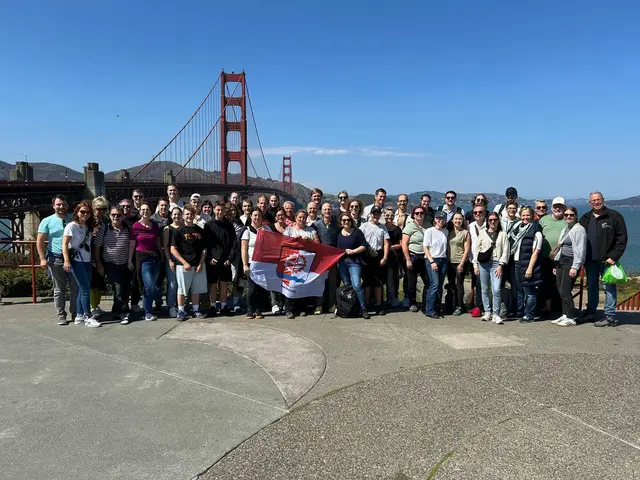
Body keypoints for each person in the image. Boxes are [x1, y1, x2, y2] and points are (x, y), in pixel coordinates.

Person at [579, 191, 628, 327]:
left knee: (609, 287)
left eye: (598, 199)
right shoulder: (585, 217)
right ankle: (591, 312)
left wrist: (614, 256)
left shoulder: (614, 216)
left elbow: (622, 238)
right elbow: (579, 238)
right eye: (593, 200)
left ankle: (610, 316)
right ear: (590, 203)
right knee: (592, 287)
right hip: (590, 260)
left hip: (607, 260)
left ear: (603, 200)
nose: (596, 202)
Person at [37, 194, 78, 325]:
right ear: (53, 206)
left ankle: (76, 313)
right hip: (56, 258)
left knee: (75, 287)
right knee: (59, 289)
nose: (61, 206)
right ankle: (61, 315)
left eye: (63, 204)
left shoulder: (73, 218)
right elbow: (40, 241)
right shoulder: (47, 221)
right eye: (58, 204)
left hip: (74, 257)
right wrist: (42, 258)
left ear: (67, 205)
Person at [62, 201, 101, 327]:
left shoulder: (87, 227)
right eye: (82, 212)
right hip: (76, 261)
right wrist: (66, 260)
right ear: (77, 212)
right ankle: (88, 316)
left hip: (87, 261)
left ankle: (79, 315)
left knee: (82, 289)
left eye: (88, 212)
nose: (85, 214)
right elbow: (64, 244)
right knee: (85, 288)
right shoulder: (71, 226)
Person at [94, 206, 132, 324]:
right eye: (113, 215)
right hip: (110, 264)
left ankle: (116, 311)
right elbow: (97, 247)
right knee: (118, 288)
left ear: (123, 216)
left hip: (125, 264)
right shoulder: (104, 229)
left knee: (125, 288)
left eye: (118, 215)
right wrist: (99, 264)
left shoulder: (128, 228)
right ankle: (123, 313)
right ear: (109, 216)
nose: (116, 217)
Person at [171, 205, 208, 321]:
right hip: (183, 266)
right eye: (187, 214)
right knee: (182, 289)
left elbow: (204, 249)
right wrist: (183, 262)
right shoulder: (179, 231)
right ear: (183, 215)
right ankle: (181, 311)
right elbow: (172, 249)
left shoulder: (200, 230)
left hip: (198, 265)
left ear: (194, 215)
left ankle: (196, 310)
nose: (189, 216)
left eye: (191, 214)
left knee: (196, 289)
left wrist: (201, 263)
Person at [552, 206, 587, 327]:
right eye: (566, 215)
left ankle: (571, 317)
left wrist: (575, 266)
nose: (568, 217)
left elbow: (581, 250)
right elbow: (560, 247)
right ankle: (565, 314)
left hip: (571, 262)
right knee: (560, 290)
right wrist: (556, 264)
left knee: (565, 290)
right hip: (562, 261)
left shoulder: (579, 230)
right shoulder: (565, 228)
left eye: (571, 215)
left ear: (575, 216)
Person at [128, 201, 163, 322]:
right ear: (139, 211)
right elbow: (132, 244)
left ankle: (157, 304)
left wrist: (162, 256)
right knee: (149, 286)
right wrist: (129, 261)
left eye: (147, 209)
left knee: (155, 286)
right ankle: (147, 312)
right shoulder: (135, 226)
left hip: (155, 258)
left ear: (151, 211)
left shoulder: (155, 225)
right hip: (143, 259)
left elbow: (158, 242)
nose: (145, 211)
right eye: (143, 209)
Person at [473, 212, 509, 324]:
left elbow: (506, 251)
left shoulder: (503, 234)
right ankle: (487, 312)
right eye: (490, 220)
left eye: (495, 220)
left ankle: (496, 313)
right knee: (484, 289)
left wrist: (501, 265)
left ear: (498, 221)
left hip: (496, 264)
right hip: (483, 264)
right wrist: (475, 265)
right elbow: (476, 250)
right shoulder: (483, 233)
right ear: (487, 221)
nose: (493, 222)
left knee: (496, 289)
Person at [508, 207, 543, 323]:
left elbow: (536, 252)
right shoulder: (517, 228)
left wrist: (530, 268)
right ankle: (521, 312)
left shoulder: (536, 231)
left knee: (530, 291)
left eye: (528, 215)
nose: (525, 218)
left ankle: (530, 314)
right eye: (523, 215)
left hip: (528, 265)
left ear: (532, 216)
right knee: (519, 290)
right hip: (517, 263)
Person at [283, 210, 319, 318]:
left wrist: (310, 241)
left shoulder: (311, 231)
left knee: (303, 285)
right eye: (300, 217)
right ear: (296, 218)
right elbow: (284, 243)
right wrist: (294, 240)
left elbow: (318, 244)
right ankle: (289, 310)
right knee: (290, 285)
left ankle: (302, 309)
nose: (302, 219)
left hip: (306, 263)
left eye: (304, 218)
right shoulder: (289, 230)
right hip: (291, 263)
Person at [204, 202, 236, 316]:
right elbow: (205, 243)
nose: (220, 212)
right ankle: (213, 306)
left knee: (224, 283)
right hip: (213, 260)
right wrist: (209, 258)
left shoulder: (229, 225)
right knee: (212, 284)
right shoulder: (208, 225)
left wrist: (230, 258)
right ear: (214, 210)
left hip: (225, 260)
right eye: (217, 210)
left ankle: (223, 306)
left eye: (222, 210)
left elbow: (234, 243)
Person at [336, 213, 369, 319]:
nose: (346, 222)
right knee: (347, 286)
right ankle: (352, 308)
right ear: (341, 222)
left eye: (348, 220)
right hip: (342, 263)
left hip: (354, 262)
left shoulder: (357, 232)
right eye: (344, 220)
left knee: (356, 285)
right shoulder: (338, 234)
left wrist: (354, 251)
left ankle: (363, 308)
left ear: (351, 221)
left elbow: (364, 245)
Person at [538, 197, 566, 317]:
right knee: (546, 284)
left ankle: (562, 310)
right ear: (551, 208)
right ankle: (548, 310)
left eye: (560, 206)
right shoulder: (544, 220)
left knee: (561, 284)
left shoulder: (568, 219)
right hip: (545, 257)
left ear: (564, 208)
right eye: (555, 206)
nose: (557, 208)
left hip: (563, 258)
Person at [241, 209, 272, 319]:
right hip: (252, 263)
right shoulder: (247, 230)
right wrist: (245, 264)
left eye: (259, 215)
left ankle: (258, 309)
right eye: (254, 215)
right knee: (252, 288)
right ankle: (249, 310)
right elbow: (244, 248)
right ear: (251, 217)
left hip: (263, 263)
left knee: (262, 288)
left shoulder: (267, 229)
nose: (257, 217)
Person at [359, 206, 390, 315]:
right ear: (370, 214)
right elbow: (359, 240)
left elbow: (386, 243)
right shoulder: (364, 226)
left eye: (378, 214)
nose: (376, 216)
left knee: (378, 282)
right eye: (374, 213)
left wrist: (385, 257)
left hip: (379, 254)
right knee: (366, 282)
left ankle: (379, 304)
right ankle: (367, 304)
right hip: (366, 255)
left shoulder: (383, 228)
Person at [312, 203, 340, 314]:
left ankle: (331, 304)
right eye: (325, 209)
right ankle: (318, 305)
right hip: (321, 258)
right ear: (322, 212)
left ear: (332, 211)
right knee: (320, 282)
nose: (327, 211)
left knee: (333, 282)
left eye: (329, 209)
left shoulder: (337, 224)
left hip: (333, 257)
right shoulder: (316, 224)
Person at [402, 206, 428, 313]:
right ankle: (412, 303)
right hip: (413, 256)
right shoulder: (409, 227)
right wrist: (408, 259)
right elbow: (404, 244)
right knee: (412, 283)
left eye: (421, 213)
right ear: (413, 215)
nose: (419, 215)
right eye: (417, 213)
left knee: (428, 282)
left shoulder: (428, 226)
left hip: (425, 257)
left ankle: (425, 302)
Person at [423, 211, 449, 318]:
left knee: (440, 286)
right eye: (438, 218)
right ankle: (429, 309)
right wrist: (432, 261)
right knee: (434, 284)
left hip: (443, 260)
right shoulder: (430, 231)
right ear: (435, 219)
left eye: (443, 219)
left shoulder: (446, 231)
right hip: (432, 260)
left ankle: (437, 307)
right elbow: (425, 247)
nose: (440, 220)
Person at [446, 212, 470, 316]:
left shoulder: (465, 233)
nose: (458, 221)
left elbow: (467, 249)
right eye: (456, 219)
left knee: (459, 285)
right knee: (451, 284)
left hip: (460, 262)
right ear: (452, 220)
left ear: (463, 220)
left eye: (460, 219)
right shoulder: (449, 232)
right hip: (449, 262)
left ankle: (460, 306)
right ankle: (452, 304)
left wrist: (461, 264)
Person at [89, 196, 109, 319]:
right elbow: (96, 245)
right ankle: (92, 307)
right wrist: (98, 262)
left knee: (99, 282)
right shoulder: (92, 223)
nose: (101, 212)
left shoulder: (104, 222)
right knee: (94, 283)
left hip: (101, 255)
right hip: (92, 257)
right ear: (93, 209)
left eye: (104, 209)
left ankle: (95, 305)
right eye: (98, 209)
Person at [163, 206, 183, 318]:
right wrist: (169, 260)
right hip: (172, 258)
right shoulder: (168, 229)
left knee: (182, 284)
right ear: (171, 216)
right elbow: (166, 247)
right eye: (174, 214)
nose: (177, 216)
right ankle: (171, 306)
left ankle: (181, 305)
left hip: (183, 259)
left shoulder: (184, 227)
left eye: (179, 214)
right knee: (173, 284)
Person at [226, 203, 246, 313]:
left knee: (237, 279)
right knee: (225, 280)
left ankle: (236, 302)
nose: (233, 212)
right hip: (225, 255)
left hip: (237, 255)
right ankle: (224, 302)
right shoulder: (224, 223)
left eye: (234, 210)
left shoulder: (240, 223)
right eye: (230, 210)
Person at [384, 206, 403, 309]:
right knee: (382, 280)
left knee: (392, 281)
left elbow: (401, 244)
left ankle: (392, 300)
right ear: (384, 216)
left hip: (393, 258)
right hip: (382, 257)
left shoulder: (397, 229)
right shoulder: (381, 227)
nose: (389, 217)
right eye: (387, 215)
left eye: (391, 215)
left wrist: (391, 247)